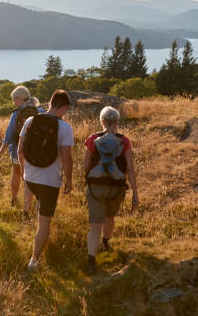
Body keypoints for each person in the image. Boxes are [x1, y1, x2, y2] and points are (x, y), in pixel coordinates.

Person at [18, 89, 74, 270]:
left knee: (39, 207)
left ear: (50, 102)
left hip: (30, 177)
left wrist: (23, 171)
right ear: (64, 108)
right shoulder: (65, 128)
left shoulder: (30, 120)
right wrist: (69, 180)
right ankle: (34, 261)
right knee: (44, 223)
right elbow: (67, 158)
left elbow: (20, 150)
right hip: (49, 181)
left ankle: (37, 239)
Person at [83, 106, 139, 275]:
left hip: (95, 187)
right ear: (117, 122)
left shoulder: (93, 139)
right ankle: (106, 243)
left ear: (102, 121)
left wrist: (91, 179)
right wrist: (135, 193)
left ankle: (91, 261)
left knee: (95, 225)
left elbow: (85, 166)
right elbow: (130, 168)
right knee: (109, 216)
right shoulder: (125, 141)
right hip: (116, 188)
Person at [0, 86, 42, 214]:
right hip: (36, 151)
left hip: (18, 149)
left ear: (18, 99)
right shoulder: (40, 110)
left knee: (17, 173)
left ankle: (14, 199)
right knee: (32, 176)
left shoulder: (16, 114)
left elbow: (8, 136)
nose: (13, 102)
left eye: (14, 99)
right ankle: (31, 206)